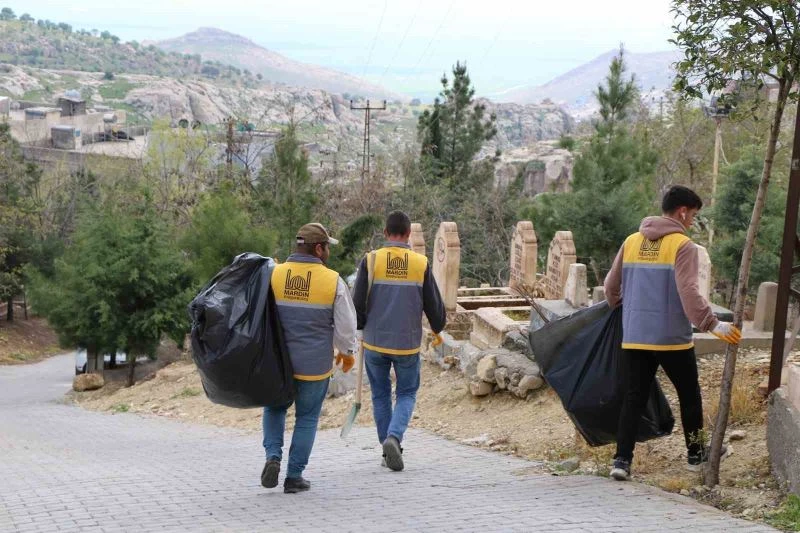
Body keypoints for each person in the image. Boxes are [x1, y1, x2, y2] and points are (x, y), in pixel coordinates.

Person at [604, 185, 741, 481]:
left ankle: (621, 461)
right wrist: (713, 324)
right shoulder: (683, 245)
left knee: (634, 398)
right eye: (692, 215)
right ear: (682, 212)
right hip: (671, 339)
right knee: (689, 395)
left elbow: (610, 288)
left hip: (635, 335)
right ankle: (695, 454)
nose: (692, 221)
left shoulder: (631, 241)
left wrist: (628, 312)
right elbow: (688, 291)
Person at [261, 223, 358, 494]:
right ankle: (294, 477)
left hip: (278, 365)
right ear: (318, 248)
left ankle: (273, 457)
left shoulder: (274, 274)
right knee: (306, 418)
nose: (328, 251)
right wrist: (347, 353)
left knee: (274, 409)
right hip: (313, 368)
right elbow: (346, 326)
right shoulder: (332, 280)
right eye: (327, 246)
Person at [352, 211, 446, 471]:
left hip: (374, 343)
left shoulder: (371, 260)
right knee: (405, 393)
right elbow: (435, 307)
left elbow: (357, 302)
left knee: (381, 396)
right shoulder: (420, 264)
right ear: (408, 235)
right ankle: (394, 438)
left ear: (385, 233)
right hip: (407, 344)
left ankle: (387, 450)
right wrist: (439, 326)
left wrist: (360, 328)